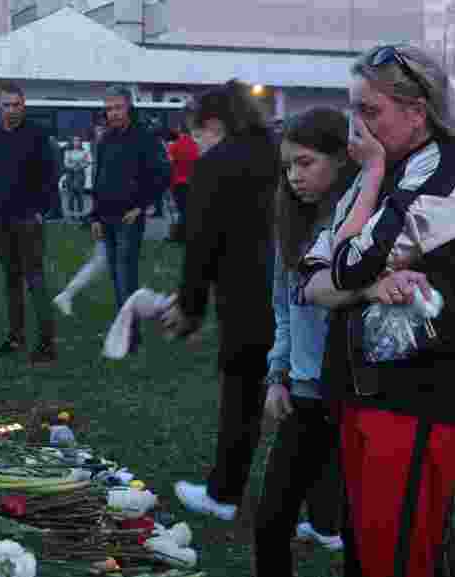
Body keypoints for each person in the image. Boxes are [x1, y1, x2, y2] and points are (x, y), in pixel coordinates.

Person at [298, 45, 455, 577]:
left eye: (369, 110)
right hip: (361, 384)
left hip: (419, 394)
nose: (356, 127)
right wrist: (362, 288)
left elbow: (342, 267)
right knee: (367, 548)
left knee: (402, 550)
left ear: (416, 111)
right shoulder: (381, 165)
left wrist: (352, 276)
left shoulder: (454, 172)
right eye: (353, 109)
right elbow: (310, 279)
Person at [161, 79, 279, 521]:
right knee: (304, 401)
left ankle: (224, 494)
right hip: (295, 294)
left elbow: (201, 245)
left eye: (197, 131)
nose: (195, 141)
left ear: (214, 123)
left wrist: (190, 308)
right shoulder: (276, 153)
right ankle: (324, 514)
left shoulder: (217, 165)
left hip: (245, 296)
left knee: (242, 398)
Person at [253, 107, 355, 574]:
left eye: (306, 162)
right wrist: (278, 374)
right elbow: (284, 308)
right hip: (304, 392)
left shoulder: (361, 223)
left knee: (364, 528)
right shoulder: (291, 223)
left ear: (340, 159)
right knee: (271, 520)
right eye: (288, 165)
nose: (294, 175)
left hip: (357, 396)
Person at [0, 81, 58, 363]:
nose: (12, 110)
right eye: (6, 104)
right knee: (11, 280)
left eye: (17, 104)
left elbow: (51, 175)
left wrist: (41, 211)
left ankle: (47, 343)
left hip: (28, 219)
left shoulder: (37, 135)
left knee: (35, 279)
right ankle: (15, 338)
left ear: (23, 104)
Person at [90, 85, 171, 344]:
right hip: (107, 217)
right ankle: (125, 327)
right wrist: (94, 216)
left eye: (118, 107)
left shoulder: (144, 138)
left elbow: (162, 174)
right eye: (109, 108)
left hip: (129, 218)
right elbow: (99, 179)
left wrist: (142, 205)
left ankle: (131, 335)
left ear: (129, 107)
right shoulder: (104, 140)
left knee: (126, 276)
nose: (113, 113)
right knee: (115, 275)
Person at [166, 123, 200, 234]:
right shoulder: (196, 146)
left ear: (179, 130)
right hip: (192, 181)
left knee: (182, 210)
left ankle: (181, 233)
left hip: (177, 182)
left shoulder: (174, 146)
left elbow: (169, 164)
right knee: (187, 209)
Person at [64, 135, 91, 219]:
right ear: (72, 142)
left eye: (78, 140)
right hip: (70, 174)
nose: (76, 142)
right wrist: (73, 166)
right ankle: (71, 215)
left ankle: (81, 215)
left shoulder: (85, 152)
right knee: (71, 195)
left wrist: (81, 165)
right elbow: (66, 163)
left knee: (80, 195)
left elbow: (88, 161)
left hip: (80, 174)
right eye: (75, 140)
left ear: (80, 142)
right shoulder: (68, 152)